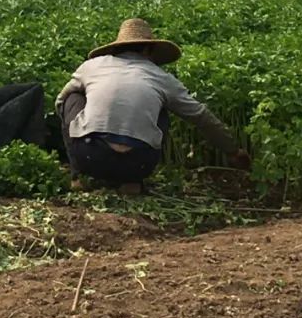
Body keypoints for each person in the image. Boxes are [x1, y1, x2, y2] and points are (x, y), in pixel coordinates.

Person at [55, 18, 251, 193]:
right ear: (149, 50)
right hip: (138, 163)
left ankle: (78, 176)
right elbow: (201, 116)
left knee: (72, 96)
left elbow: (60, 101)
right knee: (161, 110)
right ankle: (132, 182)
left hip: (90, 156)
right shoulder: (161, 77)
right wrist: (233, 151)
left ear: (116, 48)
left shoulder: (92, 66)